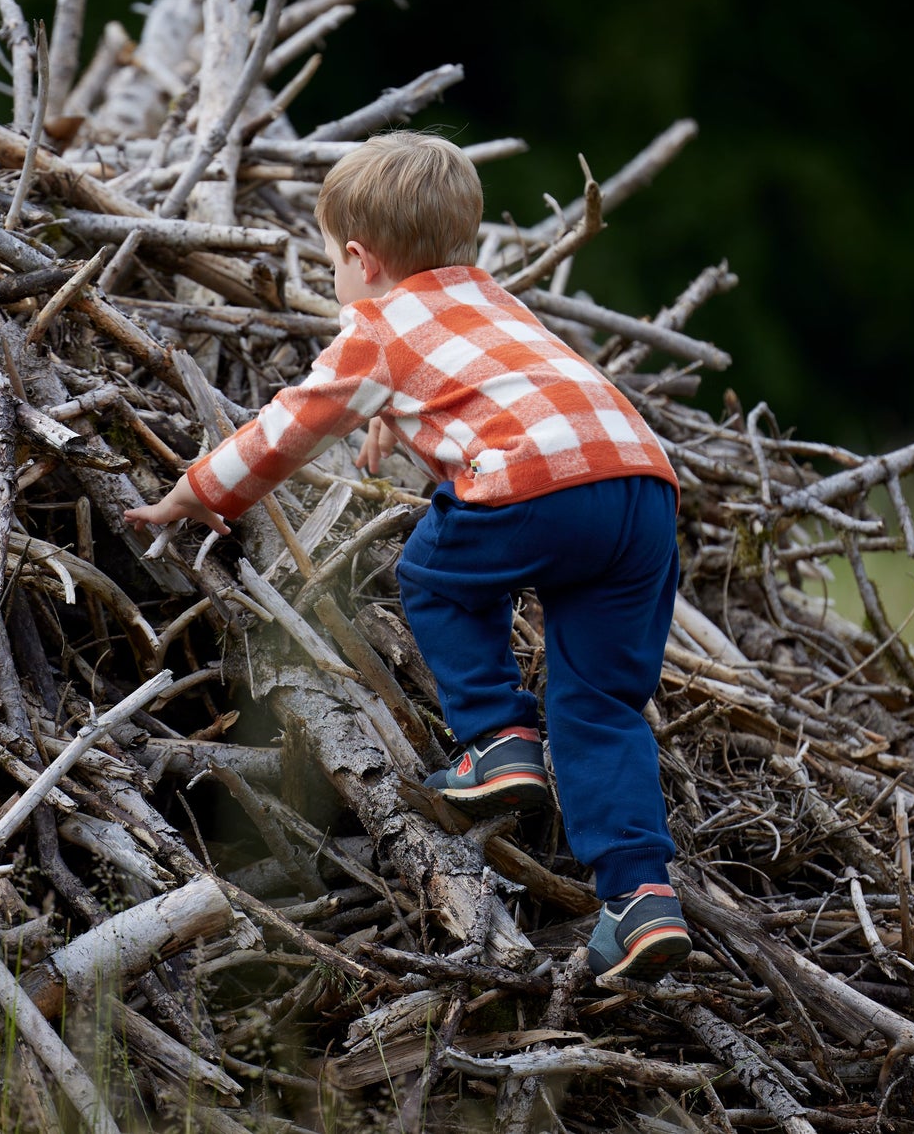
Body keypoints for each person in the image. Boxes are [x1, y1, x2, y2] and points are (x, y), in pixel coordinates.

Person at [123, 133, 691, 980]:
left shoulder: (379, 325)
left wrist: (200, 493)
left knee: (434, 576)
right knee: (603, 704)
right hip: (642, 491)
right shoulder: (495, 301)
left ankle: (496, 739)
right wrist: (396, 413)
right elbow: (485, 384)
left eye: (334, 266)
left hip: (535, 484)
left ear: (361, 259)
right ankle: (641, 901)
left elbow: (294, 424)